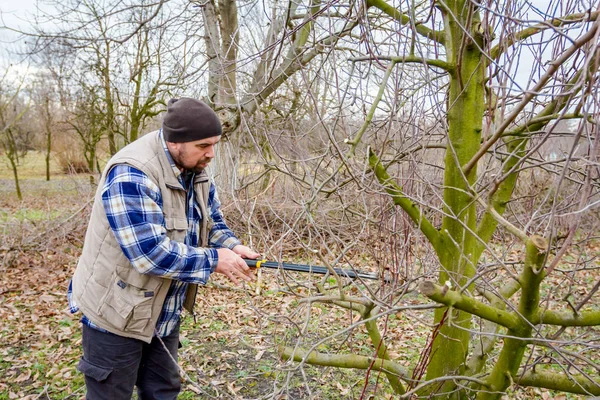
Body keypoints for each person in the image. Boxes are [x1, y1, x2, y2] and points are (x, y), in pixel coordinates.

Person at [68, 97, 259, 400]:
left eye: (214, 144)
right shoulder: (132, 173)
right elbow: (149, 254)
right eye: (203, 146)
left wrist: (234, 247)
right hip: (115, 314)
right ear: (174, 141)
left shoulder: (195, 166)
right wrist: (214, 260)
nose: (211, 154)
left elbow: (212, 224)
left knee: (162, 392)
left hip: (163, 312)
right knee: (111, 395)